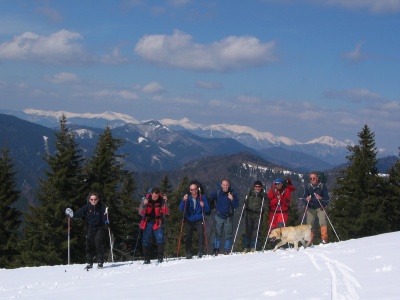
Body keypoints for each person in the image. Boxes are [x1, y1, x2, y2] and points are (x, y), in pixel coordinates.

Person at [65, 192, 108, 269]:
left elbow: (105, 216)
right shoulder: (87, 207)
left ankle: (100, 262)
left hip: (99, 227)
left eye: (95, 199)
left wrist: (106, 220)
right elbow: (80, 213)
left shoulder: (101, 207)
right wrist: (72, 215)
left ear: (98, 199)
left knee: (99, 244)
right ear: (89, 200)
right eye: (92, 199)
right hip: (90, 228)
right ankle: (89, 263)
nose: (93, 201)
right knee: (89, 245)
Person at [179, 182, 210, 259]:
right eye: (192, 190)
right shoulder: (187, 198)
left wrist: (204, 205)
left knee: (200, 235)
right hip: (189, 219)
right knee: (189, 236)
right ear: (190, 190)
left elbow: (207, 209)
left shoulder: (202, 197)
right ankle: (188, 252)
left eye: (195, 189)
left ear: (197, 189)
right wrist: (183, 201)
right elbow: (181, 208)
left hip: (199, 218)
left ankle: (200, 251)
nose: (193, 191)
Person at [138, 187, 169, 264]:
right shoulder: (146, 200)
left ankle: (160, 258)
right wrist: (144, 204)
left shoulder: (161, 200)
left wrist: (165, 202)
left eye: (157, 196)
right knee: (146, 240)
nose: (155, 198)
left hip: (157, 222)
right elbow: (140, 212)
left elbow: (166, 212)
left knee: (160, 238)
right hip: (147, 221)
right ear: (151, 194)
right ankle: (146, 259)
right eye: (154, 196)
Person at [210, 179, 239, 255]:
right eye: (224, 185)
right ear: (221, 185)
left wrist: (232, 199)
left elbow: (236, 205)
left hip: (228, 217)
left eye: (226, 185)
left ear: (229, 186)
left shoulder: (233, 194)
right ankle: (216, 249)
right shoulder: (218, 192)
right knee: (218, 233)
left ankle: (227, 250)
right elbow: (210, 198)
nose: (225, 186)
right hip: (219, 216)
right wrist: (212, 205)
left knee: (228, 234)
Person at [302, 172, 330, 245]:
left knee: (322, 222)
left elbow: (327, 198)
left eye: (313, 178)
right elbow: (303, 198)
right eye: (310, 178)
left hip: (320, 207)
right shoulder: (308, 187)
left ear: (317, 178)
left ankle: (324, 239)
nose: (312, 180)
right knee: (309, 224)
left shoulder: (322, 186)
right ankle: (310, 241)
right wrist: (306, 199)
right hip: (310, 207)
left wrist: (321, 198)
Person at [242, 180, 268, 253]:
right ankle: (246, 246)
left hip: (258, 214)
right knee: (248, 230)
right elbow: (245, 201)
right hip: (249, 213)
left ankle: (253, 246)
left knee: (256, 231)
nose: (257, 188)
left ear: (261, 187)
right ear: (254, 187)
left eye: (259, 187)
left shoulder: (263, 195)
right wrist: (245, 204)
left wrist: (265, 204)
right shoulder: (250, 193)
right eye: (256, 186)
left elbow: (266, 204)